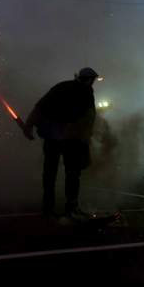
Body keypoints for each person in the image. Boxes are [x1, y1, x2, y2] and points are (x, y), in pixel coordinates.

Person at [23, 67, 98, 220]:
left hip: (53, 137)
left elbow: (40, 107)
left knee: (50, 174)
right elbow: (89, 117)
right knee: (72, 174)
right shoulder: (87, 92)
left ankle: (48, 209)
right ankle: (71, 208)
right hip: (70, 139)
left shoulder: (61, 86)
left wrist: (28, 126)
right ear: (90, 79)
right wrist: (86, 138)